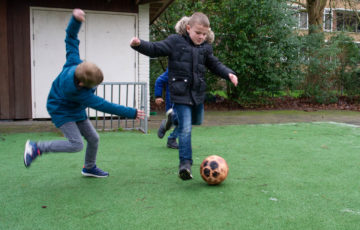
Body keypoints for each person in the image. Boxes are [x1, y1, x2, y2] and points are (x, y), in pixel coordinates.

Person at [23, 8, 145, 178]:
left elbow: (71, 38)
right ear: (81, 84)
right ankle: (36, 148)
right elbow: (104, 105)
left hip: (74, 108)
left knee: (94, 139)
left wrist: (76, 20)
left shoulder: (74, 61)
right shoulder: (78, 92)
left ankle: (89, 168)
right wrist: (131, 112)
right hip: (60, 110)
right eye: (93, 86)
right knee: (76, 144)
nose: (94, 88)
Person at [130, 12, 238, 180]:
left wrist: (229, 74)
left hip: (197, 94)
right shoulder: (175, 42)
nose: (201, 37)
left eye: (204, 34)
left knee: (197, 121)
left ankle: (172, 118)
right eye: (198, 33)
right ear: (188, 28)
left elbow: (215, 64)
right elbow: (155, 48)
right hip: (179, 93)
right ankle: (185, 165)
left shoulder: (205, 48)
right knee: (186, 129)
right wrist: (139, 44)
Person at [155, 16, 215, 150]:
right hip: (177, 99)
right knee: (184, 122)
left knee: (192, 120)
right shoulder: (176, 66)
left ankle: (169, 122)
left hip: (191, 97)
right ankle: (172, 139)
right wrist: (158, 95)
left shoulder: (198, 58)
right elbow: (160, 80)